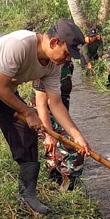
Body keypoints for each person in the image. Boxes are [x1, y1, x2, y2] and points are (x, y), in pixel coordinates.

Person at [0, 19, 91, 217]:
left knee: (27, 133)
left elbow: (56, 103)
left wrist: (76, 136)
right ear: (54, 43)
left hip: (4, 91)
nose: (67, 59)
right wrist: (29, 112)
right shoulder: (20, 45)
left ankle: (28, 194)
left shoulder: (53, 64)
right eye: (67, 53)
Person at [31, 60, 84, 190]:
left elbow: (61, 98)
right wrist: (48, 134)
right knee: (69, 148)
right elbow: (41, 105)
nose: (68, 56)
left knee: (77, 146)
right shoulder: (44, 67)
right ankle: (57, 182)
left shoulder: (68, 65)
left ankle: (68, 186)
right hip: (42, 116)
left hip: (59, 113)